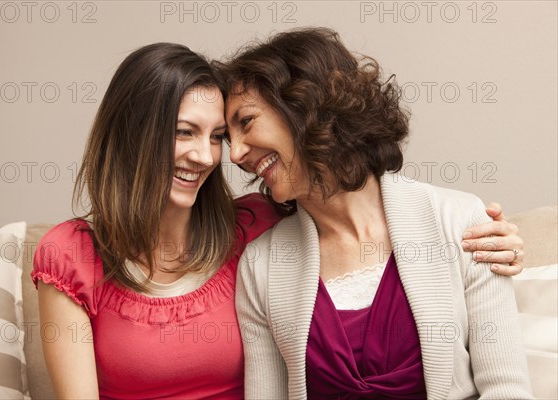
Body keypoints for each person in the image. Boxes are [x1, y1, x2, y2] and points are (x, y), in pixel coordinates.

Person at [33, 41, 524, 398]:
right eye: (185, 132)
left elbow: (506, 384)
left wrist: (491, 235)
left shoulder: (253, 227)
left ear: (305, 112)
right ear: (134, 133)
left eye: (225, 134)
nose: (220, 156)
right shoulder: (261, 248)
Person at [219, 28, 533, 399]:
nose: (236, 153)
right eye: (227, 138)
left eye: (246, 121)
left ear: (304, 104)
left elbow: (507, 389)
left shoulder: (462, 222)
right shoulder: (261, 264)